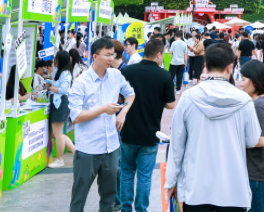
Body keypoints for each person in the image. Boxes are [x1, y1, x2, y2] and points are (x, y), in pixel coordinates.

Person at [162, 42, 264, 212]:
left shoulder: (188, 98)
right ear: (229, 67)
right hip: (233, 190)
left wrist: (171, 181)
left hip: (196, 188)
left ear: (205, 65)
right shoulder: (244, 101)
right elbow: (253, 139)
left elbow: (176, 145)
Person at [67, 37, 137, 212]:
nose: (111, 58)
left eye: (112, 55)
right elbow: (76, 117)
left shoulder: (115, 75)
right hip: (88, 149)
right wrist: (104, 109)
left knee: (109, 196)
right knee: (79, 196)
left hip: (111, 146)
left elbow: (130, 94)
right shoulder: (81, 82)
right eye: (107, 55)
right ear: (95, 56)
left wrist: (123, 113)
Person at [119, 38, 176, 212]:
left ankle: (125, 209)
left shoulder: (127, 71)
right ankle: (141, 209)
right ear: (158, 54)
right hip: (150, 133)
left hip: (127, 131)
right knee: (144, 177)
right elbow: (171, 104)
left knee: (126, 173)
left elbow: (120, 98)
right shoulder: (164, 75)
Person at [239, 60, 264, 212]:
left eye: (244, 79)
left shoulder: (259, 105)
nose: (241, 84)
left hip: (260, 175)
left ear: (254, 80)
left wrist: (237, 141)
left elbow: (262, 140)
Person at [46, 50, 77, 168]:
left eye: (56, 59)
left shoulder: (65, 73)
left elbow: (63, 89)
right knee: (56, 134)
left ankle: (60, 159)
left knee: (57, 134)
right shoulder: (62, 72)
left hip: (60, 104)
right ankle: (76, 153)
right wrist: (50, 81)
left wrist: (50, 88)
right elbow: (58, 84)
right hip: (58, 104)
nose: (55, 61)